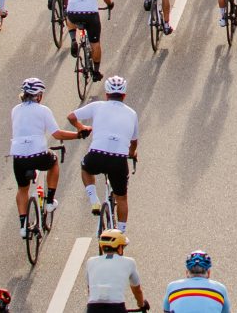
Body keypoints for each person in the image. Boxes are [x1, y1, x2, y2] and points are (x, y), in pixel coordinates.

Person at [11, 78, 89, 238]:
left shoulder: (15, 110)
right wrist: (78, 135)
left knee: (22, 189)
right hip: (38, 154)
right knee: (53, 162)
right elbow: (57, 134)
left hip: (18, 156)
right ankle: (49, 201)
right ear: (38, 96)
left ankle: (22, 225)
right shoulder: (43, 110)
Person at [67, 76, 138, 232]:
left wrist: (81, 127)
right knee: (122, 198)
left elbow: (71, 117)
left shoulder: (97, 106)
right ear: (124, 95)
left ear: (106, 94)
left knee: (85, 168)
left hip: (96, 155)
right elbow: (133, 142)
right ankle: (121, 232)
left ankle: (94, 200)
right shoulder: (132, 114)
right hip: (118, 160)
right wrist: (132, 153)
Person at [64, 0, 115, 81]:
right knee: (95, 43)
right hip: (90, 14)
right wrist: (110, 4)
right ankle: (96, 72)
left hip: (74, 13)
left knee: (69, 16)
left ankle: (73, 40)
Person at [86, 229, 148, 313]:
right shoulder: (129, 262)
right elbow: (137, 290)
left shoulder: (91, 262)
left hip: (93, 308)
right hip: (116, 307)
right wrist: (142, 304)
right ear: (119, 248)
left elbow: (90, 289)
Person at [163, 251, 231, 313]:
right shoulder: (221, 289)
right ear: (209, 273)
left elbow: (166, 311)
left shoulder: (172, 287)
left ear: (187, 273)